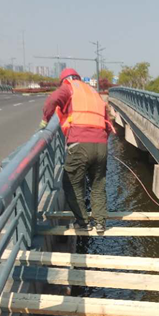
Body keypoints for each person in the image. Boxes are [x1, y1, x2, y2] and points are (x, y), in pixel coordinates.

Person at [42, 68, 115, 233]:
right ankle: (100, 223)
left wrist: (45, 119)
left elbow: (52, 100)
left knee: (72, 184)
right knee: (98, 184)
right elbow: (107, 121)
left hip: (79, 144)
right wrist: (101, 141)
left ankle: (83, 222)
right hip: (101, 144)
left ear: (64, 80)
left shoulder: (69, 87)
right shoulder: (93, 92)